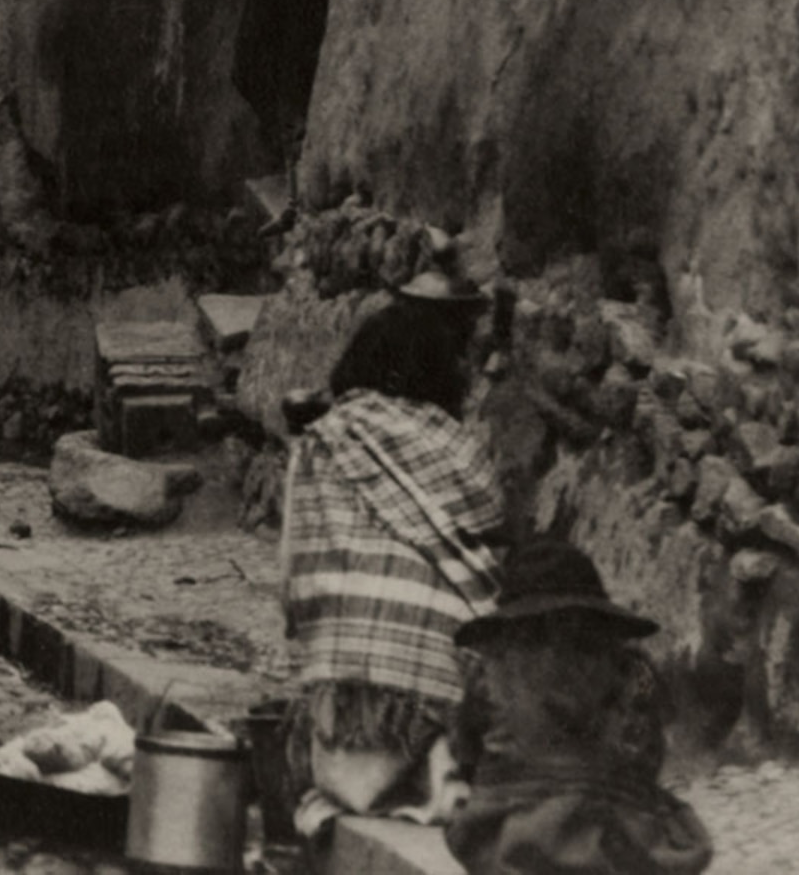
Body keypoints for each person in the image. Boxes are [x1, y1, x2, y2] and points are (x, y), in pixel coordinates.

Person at [281, 297, 509, 843]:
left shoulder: (323, 441)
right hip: (436, 718)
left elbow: (291, 583)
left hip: (342, 728)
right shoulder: (463, 451)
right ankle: (432, 774)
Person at [441, 539, 710, 875]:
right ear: (598, 616)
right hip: (616, 838)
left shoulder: (490, 672)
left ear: (511, 623)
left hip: (511, 835)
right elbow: (650, 749)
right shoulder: (636, 669)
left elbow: (466, 748)